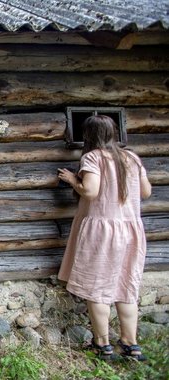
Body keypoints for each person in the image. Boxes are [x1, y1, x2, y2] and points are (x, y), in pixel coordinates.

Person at [57, 115, 152, 361]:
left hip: (102, 231)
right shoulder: (131, 157)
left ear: (89, 135)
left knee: (97, 287)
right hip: (130, 230)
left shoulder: (93, 157)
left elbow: (90, 191)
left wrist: (72, 180)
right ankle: (131, 345)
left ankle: (102, 345)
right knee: (125, 287)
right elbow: (146, 192)